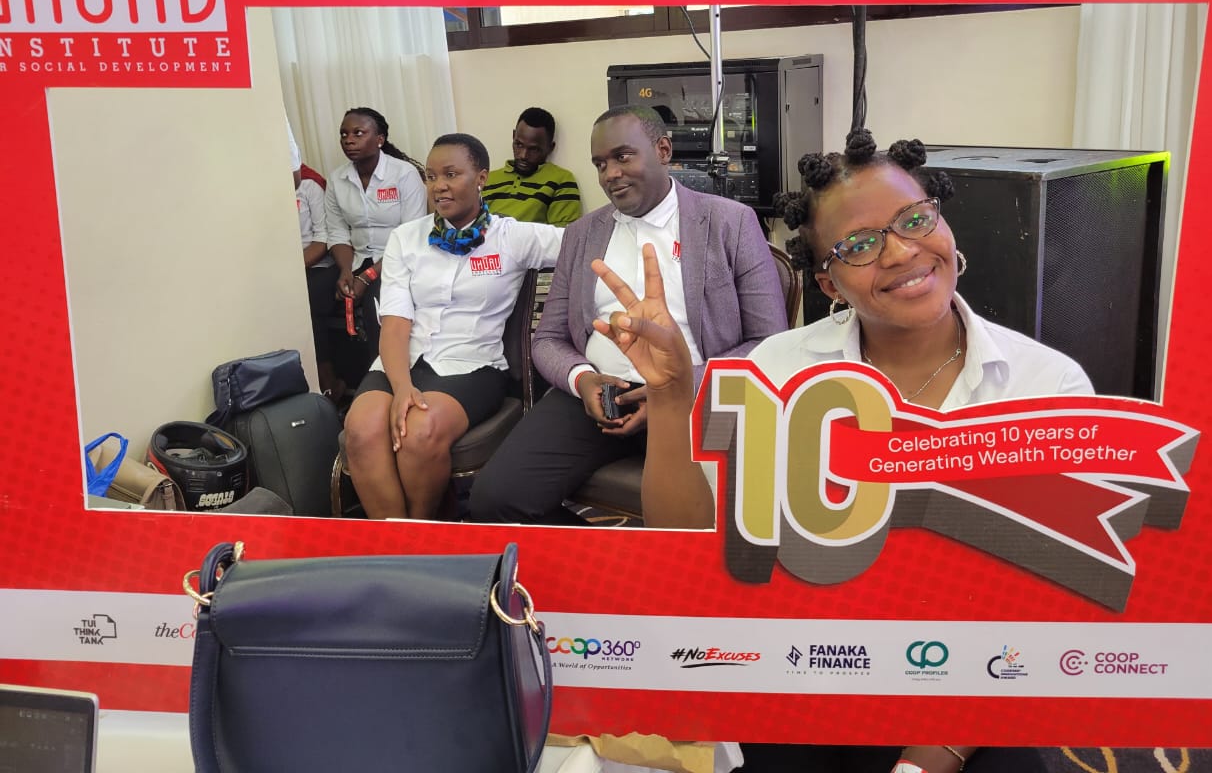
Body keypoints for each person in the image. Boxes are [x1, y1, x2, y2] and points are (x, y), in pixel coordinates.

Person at [590, 129, 1087, 773]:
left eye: (914, 219)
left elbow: (1046, 603)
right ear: (828, 282)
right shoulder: (775, 369)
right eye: (859, 245)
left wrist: (929, 756)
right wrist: (670, 395)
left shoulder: (1046, 385)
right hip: (808, 672)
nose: (901, 252)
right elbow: (687, 537)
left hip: (975, 687)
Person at [468, 104, 788, 526]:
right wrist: (582, 380)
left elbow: (770, 343)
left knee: (727, 518)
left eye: (622, 156)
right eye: (600, 164)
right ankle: (607, 562)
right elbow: (547, 338)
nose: (610, 174)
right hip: (599, 395)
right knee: (494, 500)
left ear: (663, 151)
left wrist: (676, 387)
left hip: (700, 393)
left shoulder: (731, 222)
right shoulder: (582, 235)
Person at [342, 133, 562, 520]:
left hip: (472, 364)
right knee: (360, 430)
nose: (438, 185)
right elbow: (395, 323)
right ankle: (397, 543)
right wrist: (402, 388)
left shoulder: (512, 237)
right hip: (403, 360)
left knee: (418, 431)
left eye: (451, 174)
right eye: (431, 176)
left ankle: (425, 531)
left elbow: (584, 241)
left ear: (481, 178)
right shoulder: (405, 239)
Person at [322, 107, 428, 385]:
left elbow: (411, 233)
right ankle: (332, 381)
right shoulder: (337, 179)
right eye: (344, 134)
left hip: (400, 260)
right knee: (316, 294)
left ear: (379, 139)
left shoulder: (403, 174)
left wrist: (367, 278)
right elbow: (337, 232)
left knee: (376, 303)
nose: (349, 140)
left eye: (358, 133)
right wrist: (346, 272)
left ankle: (383, 382)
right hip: (356, 258)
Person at [481, 107, 583, 226]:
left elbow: (563, 235)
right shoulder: (487, 179)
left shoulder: (561, 180)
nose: (523, 155)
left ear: (550, 147)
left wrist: (510, 230)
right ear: (513, 136)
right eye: (519, 145)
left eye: (534, 149)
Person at [295, 166, 343, 397]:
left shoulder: (309, 185)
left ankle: (327, 381)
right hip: (281, 267)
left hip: (316, 263)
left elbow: (322, 239)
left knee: (307, 297)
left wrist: (292, 269)